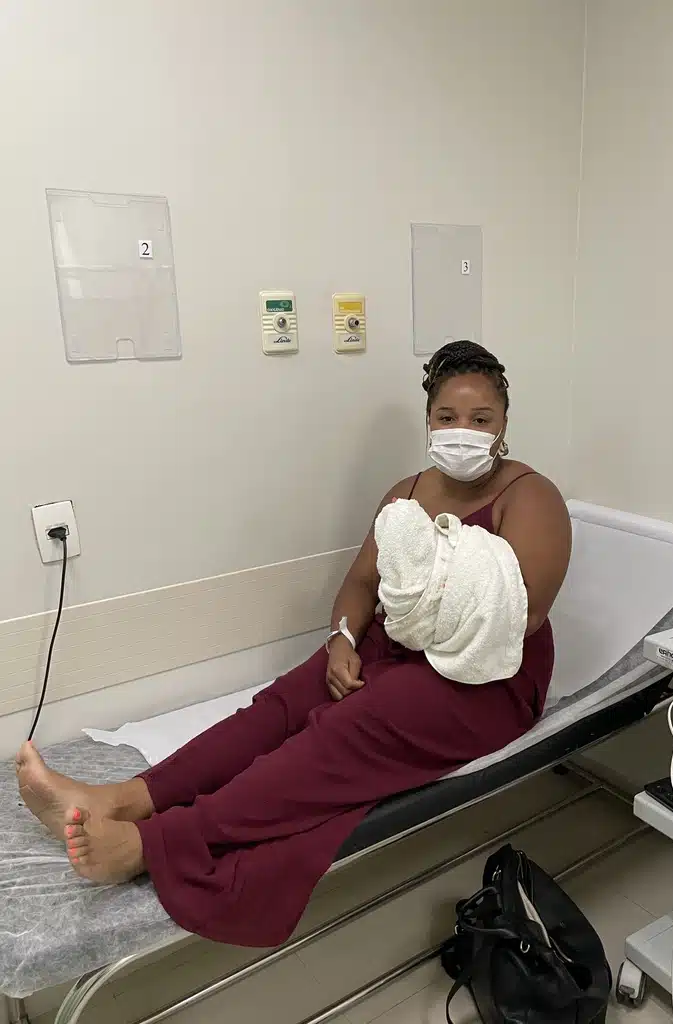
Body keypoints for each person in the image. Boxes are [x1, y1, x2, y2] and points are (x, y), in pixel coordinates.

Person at [16, 340, 571, 948]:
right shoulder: (406, 495)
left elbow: (521, 614)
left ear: (504, 425)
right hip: (399, 648)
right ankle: (122, 798)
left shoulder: (531, 497)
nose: (461, 431)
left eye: (480, 420)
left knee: (350, 722)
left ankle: (155, 844)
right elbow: (360, 584)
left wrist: (404, 635)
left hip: (484, 679)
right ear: (430, 421)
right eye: (448, 418)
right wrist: (341, 639)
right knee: (285, 702)